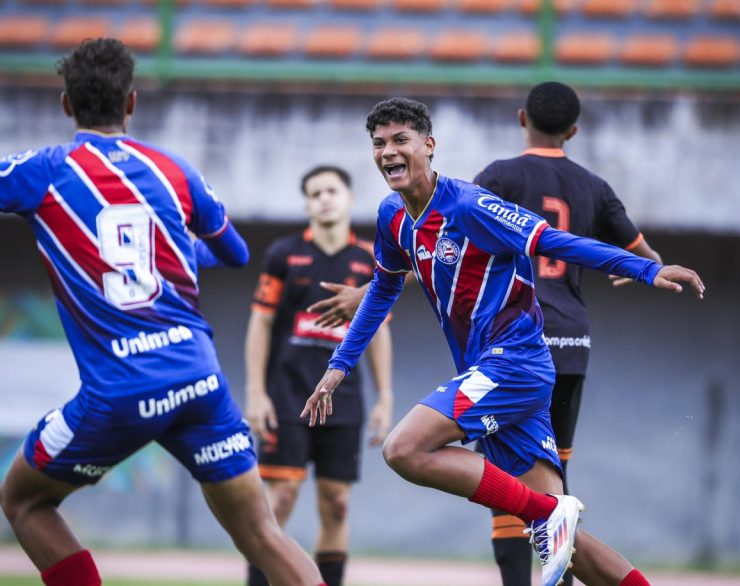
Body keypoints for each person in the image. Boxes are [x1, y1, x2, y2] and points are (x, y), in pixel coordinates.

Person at [301, 97, 704, 586]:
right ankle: (553, 519)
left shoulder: (470, 205)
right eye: (379, 143)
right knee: (564, 540)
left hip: (513, 364)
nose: (389, 151)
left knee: (403, 449)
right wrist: (340, 365)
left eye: (400, 140)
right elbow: (385, 287)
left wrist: (646, 268)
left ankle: (545, 513)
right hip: (497, 371)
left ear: (428, 146)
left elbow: (556, 241)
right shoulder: (393, 216)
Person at [0, 39, 324, 586]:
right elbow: (236, 251)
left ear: (66, 105)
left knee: (23, 501)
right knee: (262, 534)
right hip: (197, 381)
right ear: (133, 102)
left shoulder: (42, 170)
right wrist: (176, 258)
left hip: (120, 394)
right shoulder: (172, 168)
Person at [471, 81, 663, 586]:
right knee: (554, 483)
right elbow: (649, 259)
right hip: (571, 344)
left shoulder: (499, 177)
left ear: (521, 119)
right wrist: (630, 268)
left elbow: (452, 240)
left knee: (509, 479)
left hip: (511, 342)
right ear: (573, 131)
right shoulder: (594, 187)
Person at [244, 165, 394, 586]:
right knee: (281, 499)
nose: (324, 198)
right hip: (287, 395)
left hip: (343, 401)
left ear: (348, 198)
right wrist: (256, 392)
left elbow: (379, 330)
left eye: (332, 190)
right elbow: (260, 324)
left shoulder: (371, 259)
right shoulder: (283, 255)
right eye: (314, 193)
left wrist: (385, 396)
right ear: (307, 204)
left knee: (337, 503)